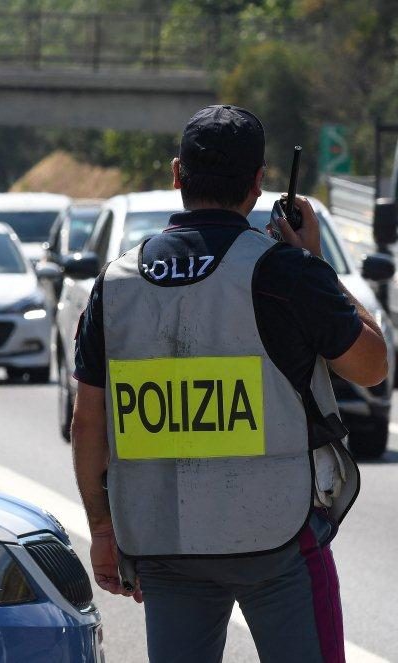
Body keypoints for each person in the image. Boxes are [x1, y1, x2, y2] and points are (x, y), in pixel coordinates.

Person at [71, 105, 387, 663]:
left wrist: (101, 528)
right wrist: (317, 266)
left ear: (176, 175)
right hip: (280, 538)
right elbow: (372, 366)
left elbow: (88, 422)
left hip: (165, 543)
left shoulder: (114, 285)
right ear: (259, 183)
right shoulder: (282, 271)